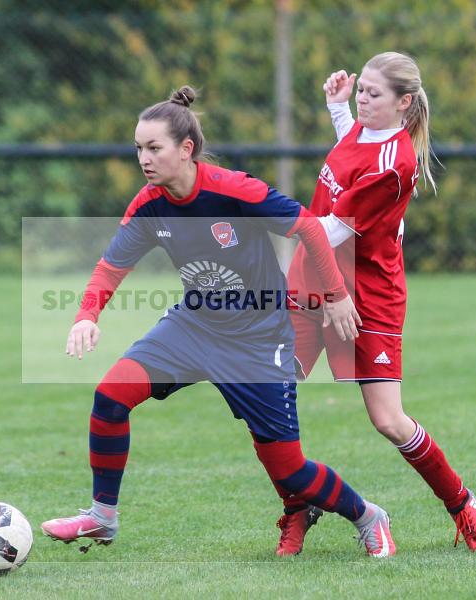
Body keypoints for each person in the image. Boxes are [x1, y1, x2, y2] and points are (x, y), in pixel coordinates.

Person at [41, 86, 395, 557]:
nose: (143, 159)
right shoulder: (149, 205)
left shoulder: (234, 190)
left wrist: (334, 295)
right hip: (194, 328)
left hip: (258, 339)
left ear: (186, 149)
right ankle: (102, 518)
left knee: (289, 470)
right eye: (138, 149)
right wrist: (86, 316)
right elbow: (110, 266)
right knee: (110, 396)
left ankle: (368, 515)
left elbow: (310, 226)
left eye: (154, 148)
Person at [285, 52, 476, 553]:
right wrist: (338, 110)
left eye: (372, 94)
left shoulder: (397, 163)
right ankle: (298, 507)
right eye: (361, 90)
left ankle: (462, 504)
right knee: (270, 397)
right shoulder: (361, 129)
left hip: (368, 294)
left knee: (388, 420)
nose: (362, 99)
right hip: (314, 281)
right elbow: (350, 161)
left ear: (403, 103)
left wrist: (272, 224)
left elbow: (334, 227)